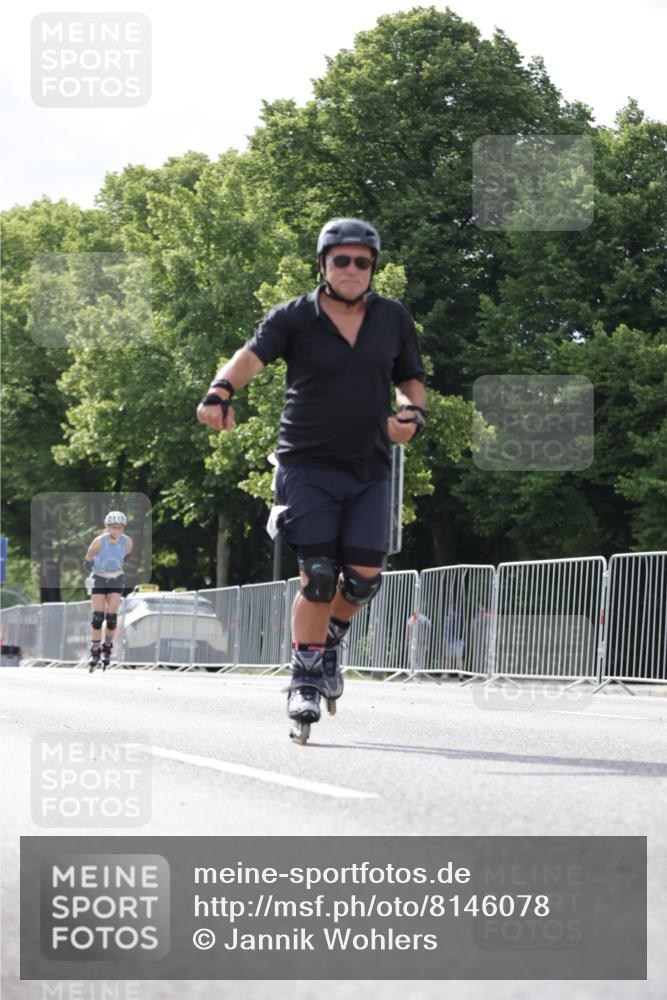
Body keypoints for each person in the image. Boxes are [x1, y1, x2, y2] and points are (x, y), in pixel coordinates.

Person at [197, 217, 426, 741]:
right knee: (319, 574)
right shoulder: (295, 316)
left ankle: (329, 640)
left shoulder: (392, 318)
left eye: (361, 262)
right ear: (323, 264)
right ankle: (304, 679)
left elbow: (410, 378)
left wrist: (412, 415)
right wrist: (220, 390)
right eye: (340, 260)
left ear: (372, 268)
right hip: (306, 464)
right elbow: (251, 357)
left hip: (370, 467)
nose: (351, 269)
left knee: (365, 579)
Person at [84, 511, 132, 672]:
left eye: (119, 527)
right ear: (107, 527)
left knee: (111, 619)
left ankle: (107, 647)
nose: (116, 530)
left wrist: (116, 572)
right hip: (99, 578)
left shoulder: (127, 542)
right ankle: (95, 651)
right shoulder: (99, 541)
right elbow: (87, 560)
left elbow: (125, 559)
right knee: (98, 618)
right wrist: (95, 574)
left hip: (116, 579)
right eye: (113, 527)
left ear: (123, 528)